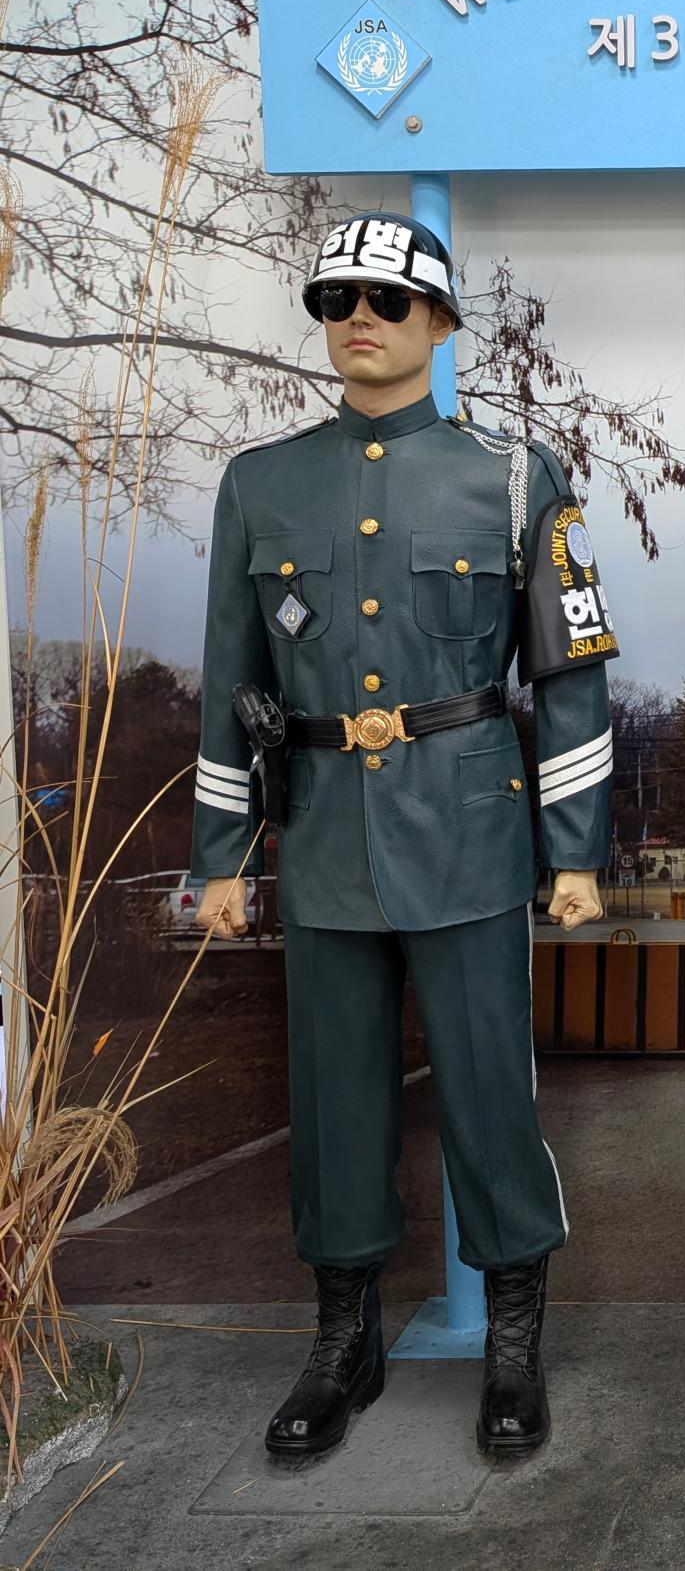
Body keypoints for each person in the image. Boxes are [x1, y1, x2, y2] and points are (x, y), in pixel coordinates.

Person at [191, 212, 618, 1460]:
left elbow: (572, 674)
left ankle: (515, 1341)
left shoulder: (516, 475)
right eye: (335, 299)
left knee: (489, 1090)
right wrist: (221, 857)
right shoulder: (261, 482)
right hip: (324, 833)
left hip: (470, 827)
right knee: (334, 1101)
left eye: (386, 296)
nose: (358, 318)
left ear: (438, 322)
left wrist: (576, 850)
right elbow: (231, 673)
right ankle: (345, 1343)